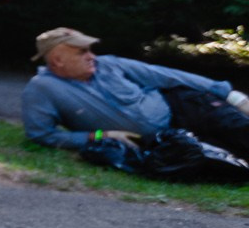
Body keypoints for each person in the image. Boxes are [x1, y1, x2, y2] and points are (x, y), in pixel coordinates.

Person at [20, 28, 249, 155]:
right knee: (226, 157)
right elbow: (42, 135)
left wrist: (231, 95)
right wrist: (101, 136)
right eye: (82, 52)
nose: (91, 56)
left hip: (178, 107)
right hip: (158, 141)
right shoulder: (42, 89)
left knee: (237, 128)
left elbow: (165, 75)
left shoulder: (108, 63)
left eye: (90, 50)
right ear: (57, 60)